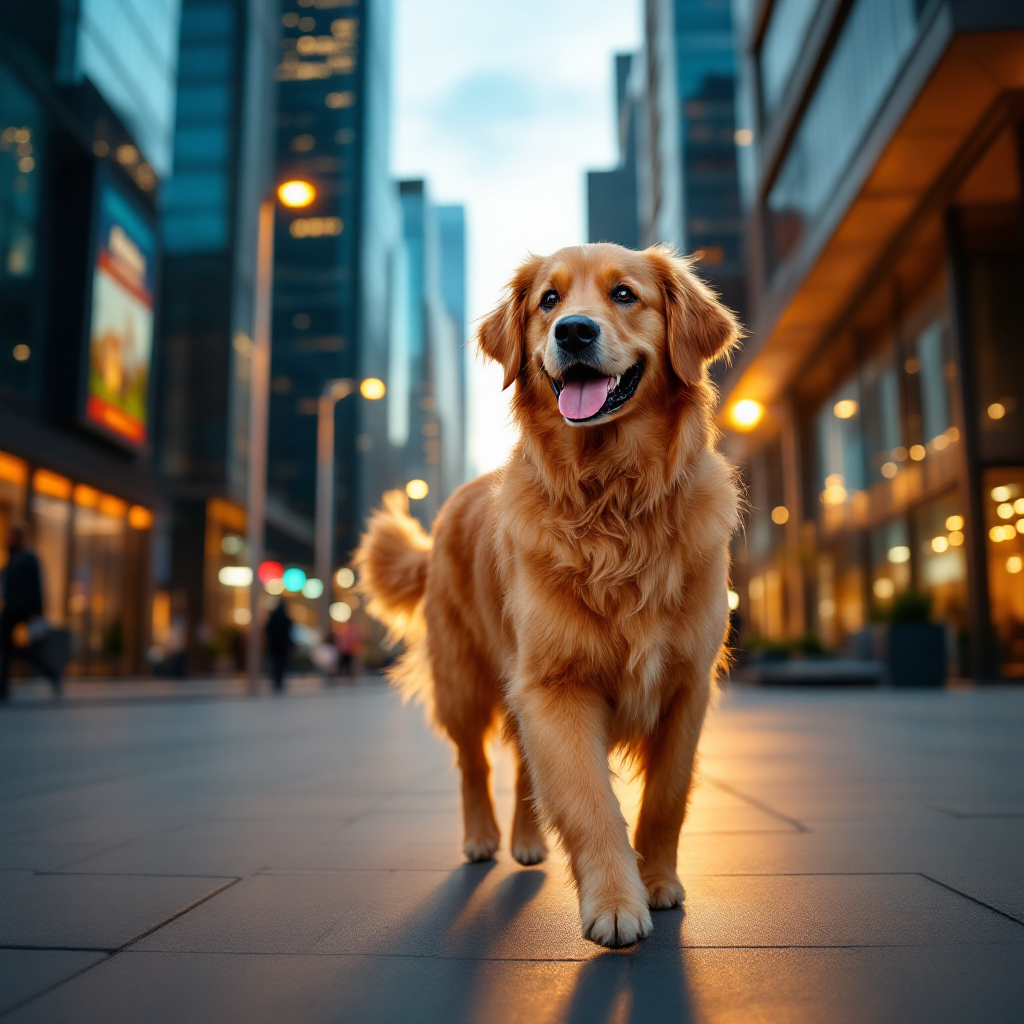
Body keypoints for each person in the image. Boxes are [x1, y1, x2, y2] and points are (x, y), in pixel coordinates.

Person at [0, 524, 61, 700]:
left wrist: (37, 612)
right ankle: (4, 687)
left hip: (22, 611)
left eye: (12, 536)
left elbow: (36, 587)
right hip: (10, 609)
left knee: (19, 650)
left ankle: (51, 674)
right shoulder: (11, 559)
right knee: (9, 649)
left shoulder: (28, 559)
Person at [264, 600, 293, 692]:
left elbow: (267, 629)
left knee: (275, 663)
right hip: (282, 646)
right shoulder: (285, 618)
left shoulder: (273, 617)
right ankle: (279, 681)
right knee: (281, 664)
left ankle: (276, 681)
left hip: (274, 645)